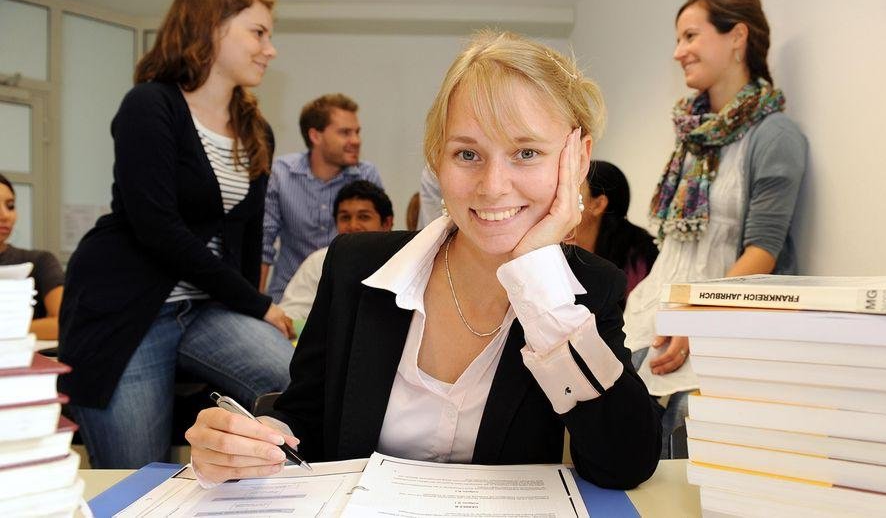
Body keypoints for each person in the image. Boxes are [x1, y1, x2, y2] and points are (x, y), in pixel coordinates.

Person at [186, 29, 661, 490]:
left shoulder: (586, 288)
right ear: (437, 159)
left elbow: (624, 462)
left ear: (577, 159)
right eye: (467, 154)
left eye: (527, 152)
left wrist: (541, 285)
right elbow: (304, 419)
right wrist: (244, 445)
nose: (493, 186)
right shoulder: (356, 266)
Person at [58, 0, 295, 469]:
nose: (270, 49)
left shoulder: (256, 129)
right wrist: (258, 305)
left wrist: (250, 306)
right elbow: (157, 229)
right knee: (137, 471)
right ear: (212, 28)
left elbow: (246, 238)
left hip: (206, 310)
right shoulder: (149, 104)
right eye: (258, 33)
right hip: (128, 311)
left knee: (294, 377)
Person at [624, 0, 808, 458]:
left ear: (737, 37)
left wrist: (697, 317)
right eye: (678, 39)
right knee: (635, 464)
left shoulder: (775, 136)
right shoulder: (693, 136)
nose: (678, 51)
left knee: (689, 468)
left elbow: (762, 254)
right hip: (655, 319)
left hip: (723, 327)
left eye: (690, 36)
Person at [261, 93, 384, 301]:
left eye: (357, 132)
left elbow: (379, 243)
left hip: (347, 299)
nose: (356, 140)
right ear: (315, 136)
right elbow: (263, 245)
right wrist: (257, 308)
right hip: (289, 298)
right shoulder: (280, 174)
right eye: (345, 133)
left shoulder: (367, 175)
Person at [279, 180, 394, 320]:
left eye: (364, 217)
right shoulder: (320, 261)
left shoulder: (402, 263)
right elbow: (291, 314)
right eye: (345, 218)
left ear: (386, 223)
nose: (353, 226)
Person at [572, 160, 659, 298]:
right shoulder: (562, 252)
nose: (561, 199)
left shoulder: (640, 259)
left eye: (573, 190)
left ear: (598, 205)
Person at [0, 174, 63, 341]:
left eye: (10, 206)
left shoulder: (40, 262)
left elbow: (64, 322)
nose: (5, 215)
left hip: (23, 362)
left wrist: (6, 330)